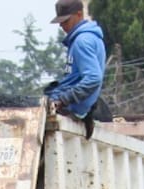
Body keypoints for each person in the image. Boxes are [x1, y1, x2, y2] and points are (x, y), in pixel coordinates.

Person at [46, 0, 109, 133]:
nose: (62, 26)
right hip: (76, 106)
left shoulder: (82, 41)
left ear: (79, 14)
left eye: (66, 21)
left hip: (69, 107)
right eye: (60, 22)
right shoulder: (90, 38)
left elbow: (93, 78)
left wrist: (64, 100)